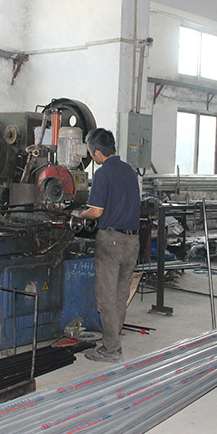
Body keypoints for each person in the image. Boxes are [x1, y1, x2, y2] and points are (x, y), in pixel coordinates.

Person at [75, 127, 140, 363]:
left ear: (96, 153)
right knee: (121, 295)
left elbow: (96, 212)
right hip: (133, 242)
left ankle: (111, 349)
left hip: (111, 242)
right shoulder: (130, 171)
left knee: (106, 298)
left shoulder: (103, 174)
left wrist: (79, 213)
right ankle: (113, 341)